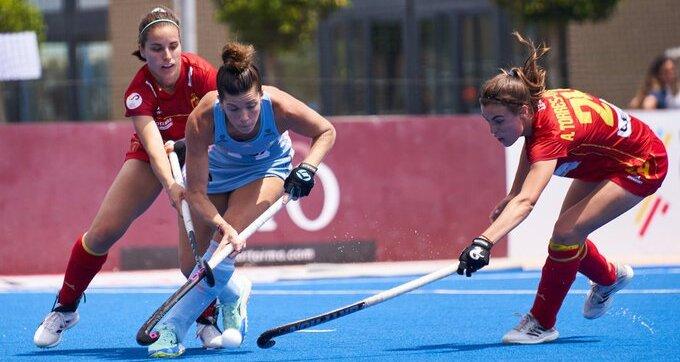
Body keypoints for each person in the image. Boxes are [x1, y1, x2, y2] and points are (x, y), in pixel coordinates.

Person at [33, 6, 232, 350]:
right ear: (142, 50)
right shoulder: (138, 89)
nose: (167, 56)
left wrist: (188, 159)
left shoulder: (201, 74)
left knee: (195, 252)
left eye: (173, 46)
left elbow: (224, 122)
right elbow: (154, 147)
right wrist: (171, 183)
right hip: (151, 157)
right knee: (102, 232)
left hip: (199, 153)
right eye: (156, 49)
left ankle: (206, 317)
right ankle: (65, 308)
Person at [456, 32, 668, 344]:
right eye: (488, 122)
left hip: (641, 162)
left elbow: (529, 201)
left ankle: (542, 323)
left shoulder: (552, 131)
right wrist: (513, 194)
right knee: (567, 234)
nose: (493, 131)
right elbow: (532, 148)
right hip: (603, 158)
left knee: (565, 233)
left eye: (498, 121)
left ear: (523, 112)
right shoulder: (535, 109)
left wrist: (484, 242)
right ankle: (610, 277)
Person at [145, 41, 336, 358]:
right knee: (191, 266)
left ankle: (173, 329)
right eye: (233, 109)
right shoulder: (202, 119)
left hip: (267, 170)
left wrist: (308, 168)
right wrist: (222, 224)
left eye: (251, 106)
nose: (244, 116)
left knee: (219, 251)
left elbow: (326, 131)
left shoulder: (279, 108)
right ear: (220, 102)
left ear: (261, 95)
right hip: (219, 173)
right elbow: (195, 193)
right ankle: (234, 291)